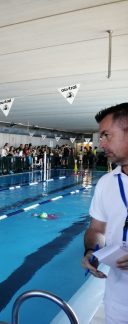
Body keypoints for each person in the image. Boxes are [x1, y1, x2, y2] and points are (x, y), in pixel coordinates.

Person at [82, 102, 128, 323]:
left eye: (107, 135)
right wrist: (92, 250)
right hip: (117, 303)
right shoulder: (106, 183)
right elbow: (97, 229)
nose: (101, 144)